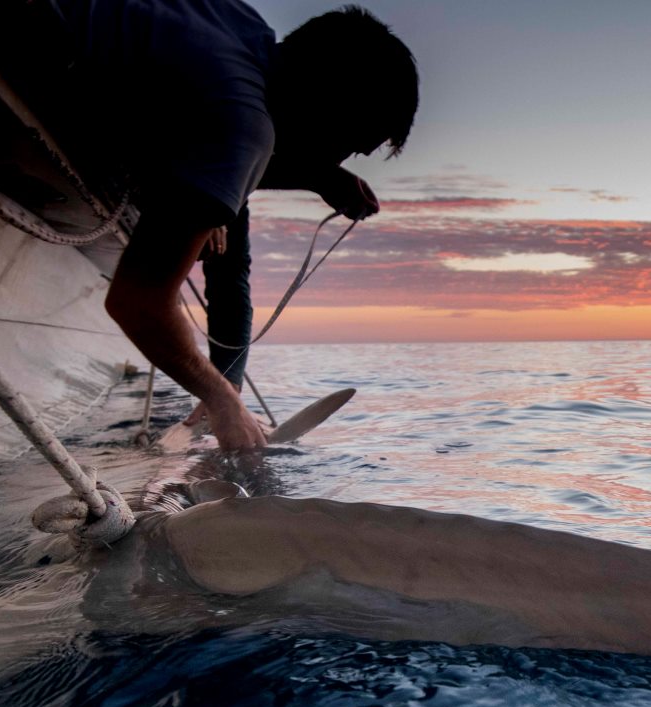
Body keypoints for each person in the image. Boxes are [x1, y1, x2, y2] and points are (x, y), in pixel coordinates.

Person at [46, 1, 417, 450]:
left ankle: (228, 388)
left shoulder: (240, 27)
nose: (341, 160)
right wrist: (222, 400)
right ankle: (226, 394)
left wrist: (314, 175)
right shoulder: (240, 128)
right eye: (349, 145)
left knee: (226, 221)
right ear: (324, 107)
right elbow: (137, 302)